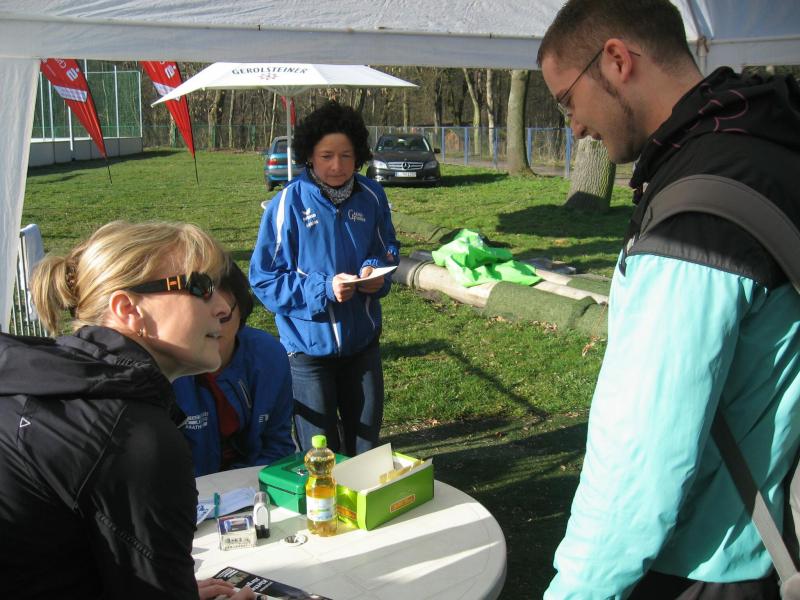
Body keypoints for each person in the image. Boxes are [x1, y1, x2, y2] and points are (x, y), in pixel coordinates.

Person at [537, 1, 800, 598]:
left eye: (567, 100)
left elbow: (642, 458)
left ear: (617, 59)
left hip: (707, 562)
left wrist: (578, 589)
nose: (574, 127)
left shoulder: (697, 217)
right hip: (770, 529)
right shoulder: (763, 143)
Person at [0, 221, 255, 600]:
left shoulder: (44, 379)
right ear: (128, 309)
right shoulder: (131, 436)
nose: (222, 308)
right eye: (201, 288)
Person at [250, 100, 399, 456]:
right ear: (309, 156)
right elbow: (264, 280)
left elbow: (387, 249)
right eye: (326, 156)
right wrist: (323, 289)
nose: (337, 166)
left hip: (362, 346)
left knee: (366, 449)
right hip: (307, 351)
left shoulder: (372, 196)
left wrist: (376, 273)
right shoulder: (286, 205)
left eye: (346, 156)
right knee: (322, 455)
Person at [173, 257, 295, 476]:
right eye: (198, 317)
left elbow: (278, 445)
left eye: (223, 317)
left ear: (241, 310)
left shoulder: (269, 355)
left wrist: (247, 484)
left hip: (253, 485)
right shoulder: (167, 369)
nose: (213, 328)